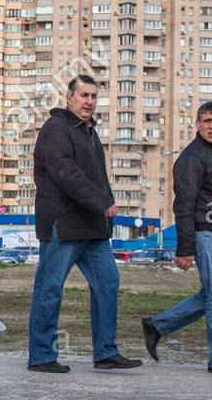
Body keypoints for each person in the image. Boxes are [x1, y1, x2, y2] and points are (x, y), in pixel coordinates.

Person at [27, 74, 141, 373]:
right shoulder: (56, 128)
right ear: (69, 98)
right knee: (49, 289)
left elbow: (98, 178)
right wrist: (103, 203)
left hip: (92, 227)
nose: (89, 101)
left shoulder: (89, 131)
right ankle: (41, 356)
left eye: (93, 96)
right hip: (63, 224)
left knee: (107, 283)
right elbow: (66, 173)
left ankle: (105, 352)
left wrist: (104, 206)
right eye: (83, 95)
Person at [141, 101, 212, 374]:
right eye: (207, 121)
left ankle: (158, 326)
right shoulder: (192, 158)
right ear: (197, 124)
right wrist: (185, 248)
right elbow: (183, 206)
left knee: (211, 296)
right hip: (203, 234)